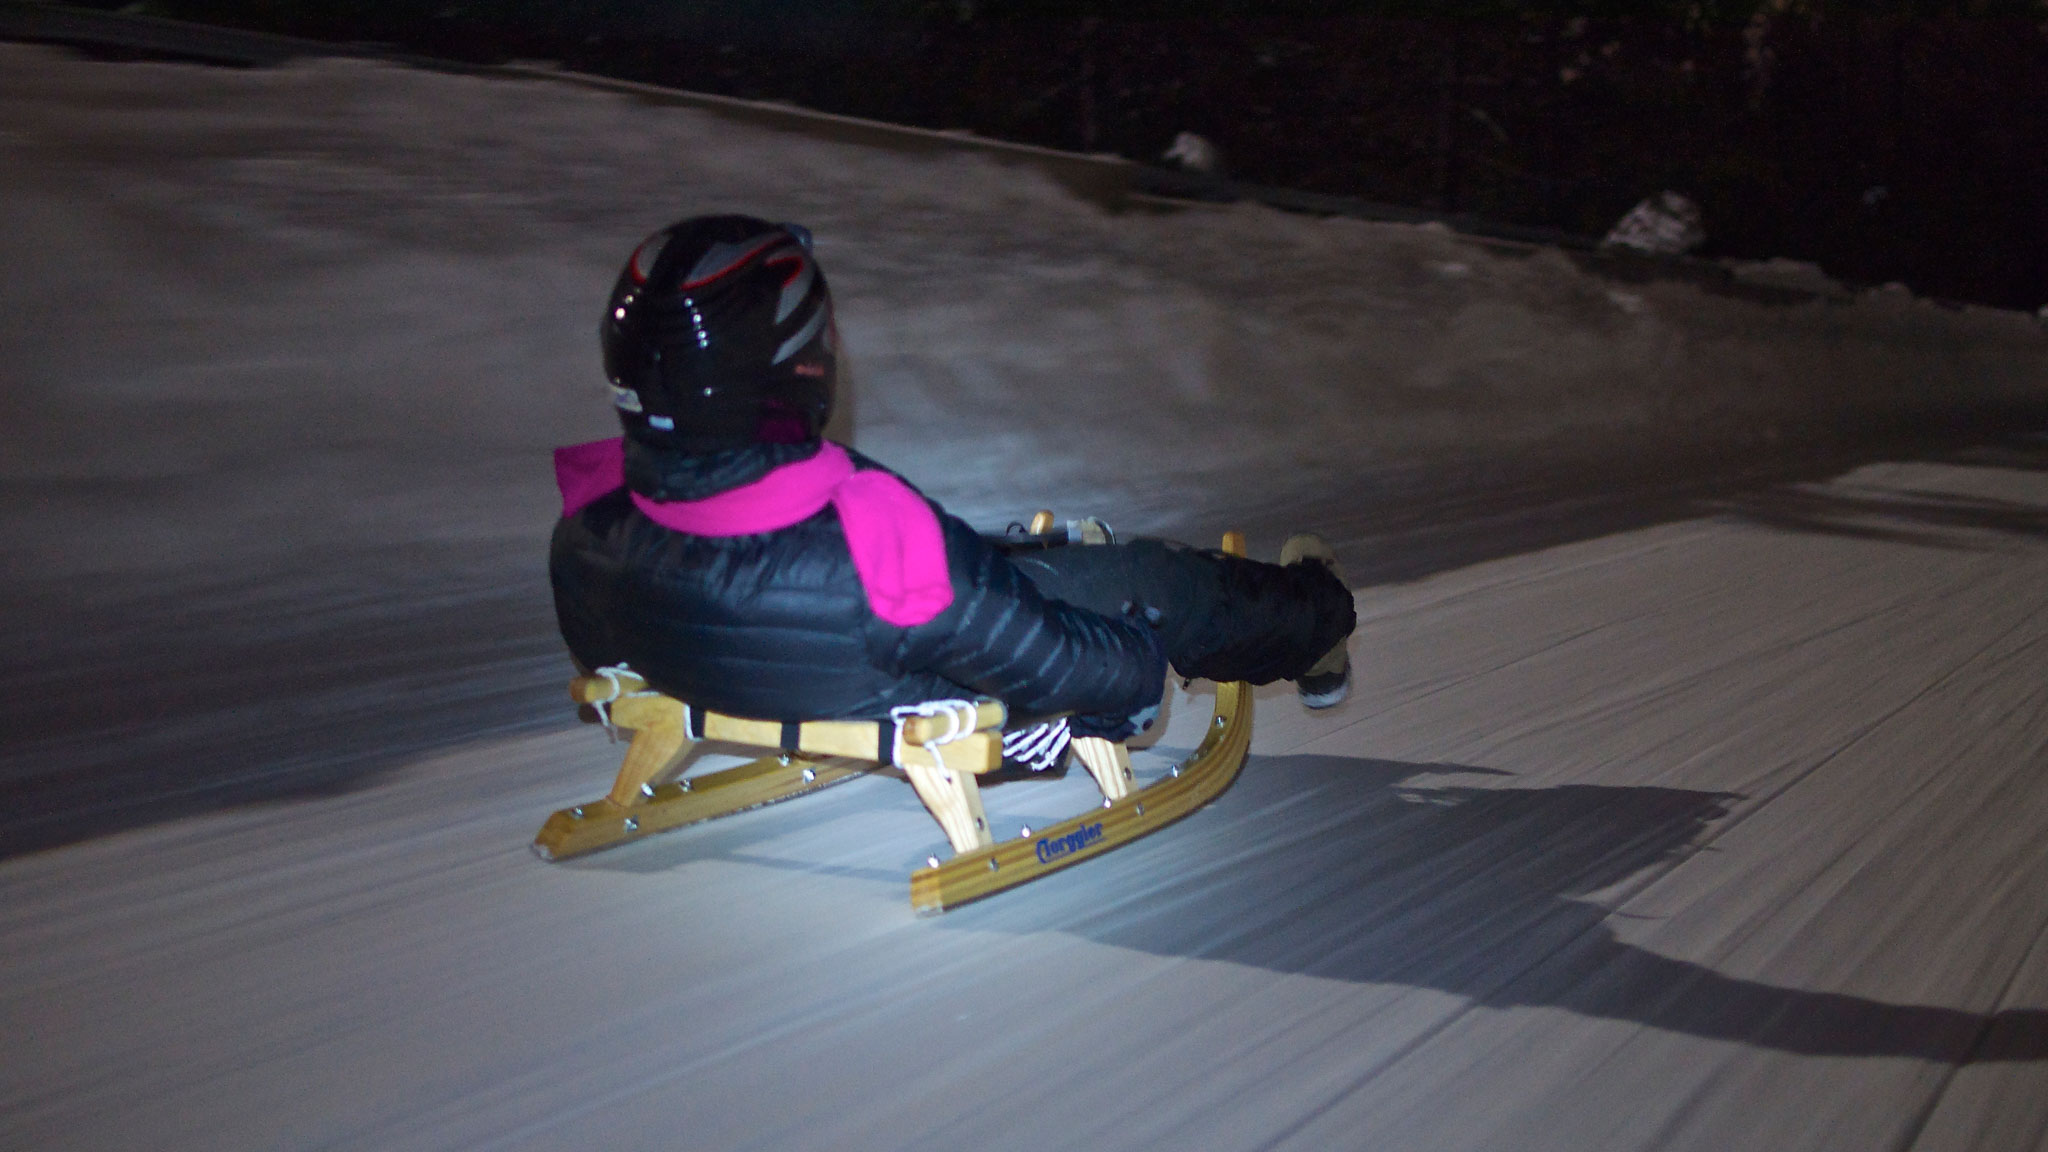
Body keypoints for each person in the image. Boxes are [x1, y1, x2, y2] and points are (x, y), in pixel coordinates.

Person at [549, 215, 1354, 769]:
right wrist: (1138, 669)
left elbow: (609, 652)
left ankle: (1040, 563)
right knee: (1159, 581)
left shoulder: (585, 531)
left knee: (995, 556)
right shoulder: (874, 539)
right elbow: (1060, 666)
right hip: (924, 665)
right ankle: (1318, 619)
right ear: (799, 364)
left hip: (806, 644)